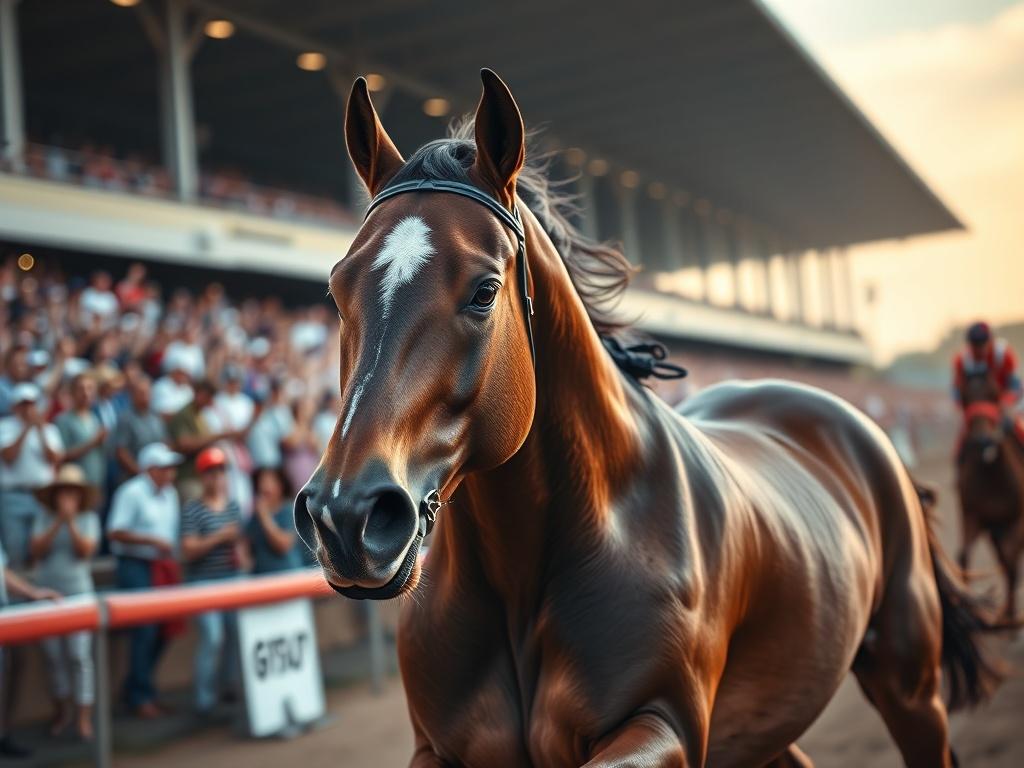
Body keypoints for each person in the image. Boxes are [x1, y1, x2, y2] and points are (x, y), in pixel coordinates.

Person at [106, 442, 182, 719]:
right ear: (150, 469)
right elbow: (114, 532)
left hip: (160, 564)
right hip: (135, 565)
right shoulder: (132, 492)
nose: (170, 472)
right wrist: (150, 540)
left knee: (164, 629)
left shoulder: (170, 493)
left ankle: (140, 689)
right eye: (164, 467)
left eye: (170, 467)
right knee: (145, 631)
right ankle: (139, 695)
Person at [29, 464, 101, 740]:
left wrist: (70, 522)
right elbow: (35, 549)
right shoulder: (43, 517)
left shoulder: (89, 519)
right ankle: (62, 712)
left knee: (79, 657)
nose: (68, 496)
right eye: (64, 491)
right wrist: (58, 520)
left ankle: (84, 718)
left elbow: (85, 551)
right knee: (53, 657)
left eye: (73, 491)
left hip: (79, 594)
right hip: (46, 594)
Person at [180, 447, 245, 713]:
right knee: (213, 637)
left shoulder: (232, 506)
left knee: (234, 635)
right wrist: (220, 537)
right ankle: (203, 700)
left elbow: (240, 545)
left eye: (220, 470)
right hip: (203, 581)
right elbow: (188, 549)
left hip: (231, 576)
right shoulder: (192, 508)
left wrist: (241, 554)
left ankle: (229, 687)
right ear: (202, 477)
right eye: (210, 472)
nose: (216, 476)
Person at [0, 538, 61, 759]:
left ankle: (3, 734)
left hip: (4, 614)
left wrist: (31, 592)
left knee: (13, 667)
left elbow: (1, 571)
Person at [0, 383, 64, 568]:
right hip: (13, 496)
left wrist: (40, 430)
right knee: (16, 550)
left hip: (43, 495)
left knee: (44, 548)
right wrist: (26, 428)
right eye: (24, 404)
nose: (28, 409)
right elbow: (9, 457)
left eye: (32, 404)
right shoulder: (4, 427)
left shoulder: (49, 429)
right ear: (15, 406)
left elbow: (54, 459)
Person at [167, 380, 243, 503]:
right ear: (200, 394)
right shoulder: (184, 415)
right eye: (209, 397)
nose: (211, 402)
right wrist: (218, 436)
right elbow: (184, 444)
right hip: (188, 477)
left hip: (202, 477)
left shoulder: (200, 415)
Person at [953, 321, 1023, 440]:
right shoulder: (962, 361)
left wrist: (1005, 402)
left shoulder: (1004, 355)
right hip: (976, 405)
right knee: (964, 437)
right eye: (975, 345)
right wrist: (965, 407)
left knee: (1014, 425)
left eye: (982, 344)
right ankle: (959, 458)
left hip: (1004, 401)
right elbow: (957, 390)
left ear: (990, 341)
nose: (979, 349)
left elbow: (1015, 385)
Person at [55, 373, 108, 499]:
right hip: (75, 487)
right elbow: (63, 455)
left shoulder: (96, 418)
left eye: (90, 388)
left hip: (97, 484)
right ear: (72, 393)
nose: (86, 393)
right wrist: (93, 443)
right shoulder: (63, 420)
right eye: (81, 389)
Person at [248, 466, 308, 573]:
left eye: (269, 481)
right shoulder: (254, 516)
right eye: (261, 481)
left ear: (281, 486)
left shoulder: (289, 510)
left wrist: (264, 516)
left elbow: (283, 545)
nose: (264, 486)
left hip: (288, 578)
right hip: (262, 580)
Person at [114, 374, 167, 480]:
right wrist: (141, 473)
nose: (145, 396)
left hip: (157, 477)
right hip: (133, 477)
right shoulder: (126, 419)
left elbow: (164, 442)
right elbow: (121, 452)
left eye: (147, 392)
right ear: (133, 395)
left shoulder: (156, 416)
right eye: (141, 393)